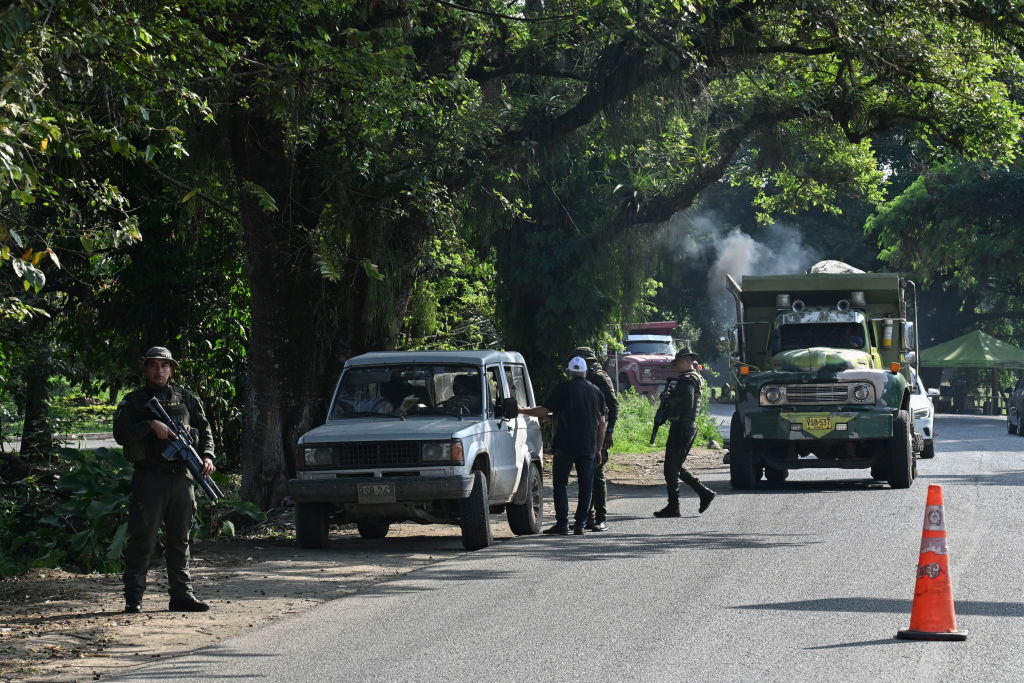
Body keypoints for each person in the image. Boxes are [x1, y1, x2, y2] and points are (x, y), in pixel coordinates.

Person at [113, 346, 216, 614]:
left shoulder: (185, 397)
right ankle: (133, 597)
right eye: (154, 365)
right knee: (143, 539)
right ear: (146, 369)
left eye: (165, 365)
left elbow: (205, 429)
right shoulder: (134, 401)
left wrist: (206, 456)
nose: (159, 370)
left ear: (171, 369)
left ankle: (182, 596)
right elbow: (121, 434)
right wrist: (149, 426)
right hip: (150, 479)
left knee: (180, 539)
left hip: (182, 478)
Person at [521, 356, 606, 536]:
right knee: (586, 486)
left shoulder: (563, 388)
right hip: (588, 447)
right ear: (585, 372)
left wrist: (521, 410)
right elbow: (601, 423)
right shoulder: (596, 391)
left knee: (560, 485)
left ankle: (562, 523)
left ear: (569, 372)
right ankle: (581, 525)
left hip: (565, 446)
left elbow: (544, 411)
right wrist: (598, 449)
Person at [654, 348, 715, 517]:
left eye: (677, 363)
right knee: (675, 466)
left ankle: (675, 505)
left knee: (671, 468)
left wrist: (670, 401)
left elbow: (686, 405)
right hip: (685, 426)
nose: (676, 367)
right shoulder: (693, 378)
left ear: (684, 361)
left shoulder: (688, 380)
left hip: (683, 426)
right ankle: (703, 493)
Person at [571, 346, 618, 532]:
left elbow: (613, 405)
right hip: (586, 431)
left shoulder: (599, 377)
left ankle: (601, 518)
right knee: (585, 474)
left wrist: (609, 432)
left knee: (597, 475)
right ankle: (587, 517)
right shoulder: (585, 376)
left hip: (599, 430)